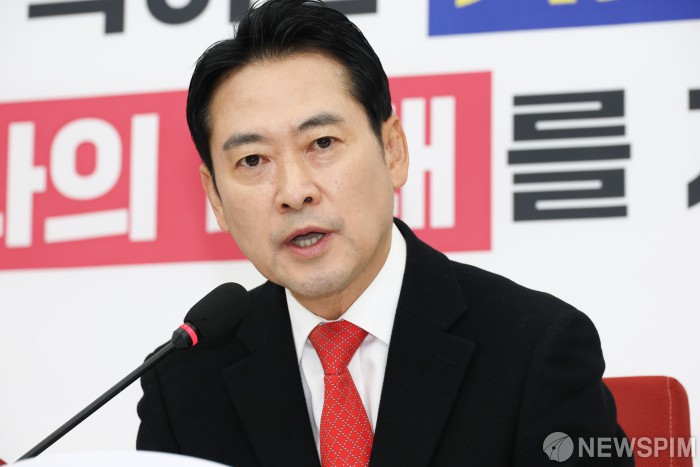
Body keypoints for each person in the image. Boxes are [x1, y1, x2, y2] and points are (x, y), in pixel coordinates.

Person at [137, 1, 632, 465]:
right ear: (216, 197)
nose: (294, 191)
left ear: (393, 150)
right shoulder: (182, 385)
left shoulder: (534, 348)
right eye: (252, 160)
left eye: (322, 142)